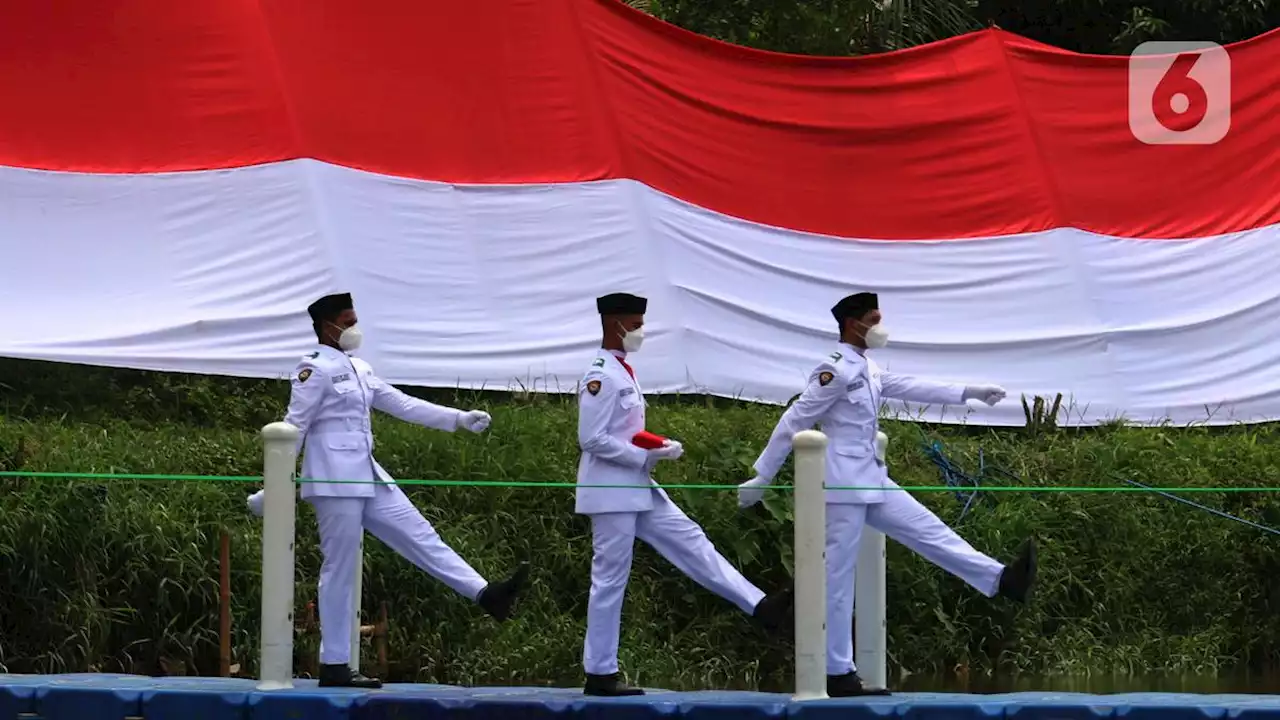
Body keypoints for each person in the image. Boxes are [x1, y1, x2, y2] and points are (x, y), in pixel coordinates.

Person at [737, 291, 1036, 698]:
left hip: (873, 480)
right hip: (842, 487)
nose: (880, 326)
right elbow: (796, 419)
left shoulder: (867, 366)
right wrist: (763, 475)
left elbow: (911, 385)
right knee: (838, 582)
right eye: (874, 319)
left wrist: (969, 390)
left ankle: (1001, 580)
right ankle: (838, 672)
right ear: (852, 324)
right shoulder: (835, 369)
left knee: (931, 532)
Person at [247, 292, 530, 688]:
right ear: (327, 326)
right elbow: (294, 427)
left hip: (368, 474)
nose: (353, 328)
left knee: (422, 537)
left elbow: (402, 404)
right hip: (334, 480)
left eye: (354, 319)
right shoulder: (313, 368)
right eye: (346, 321)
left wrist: (458, 419)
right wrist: (274, 486)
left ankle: (486, 595)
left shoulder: (359, 368)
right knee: (340, 569)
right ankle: (334, 664)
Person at [575, 292, 793, 697]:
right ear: (615, 323)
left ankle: (759, 606)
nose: (641, 331)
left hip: (637, 486)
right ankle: (600, 673)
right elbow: (590, 438)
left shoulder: (623, 370)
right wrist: (643, 457)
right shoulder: (601, 375)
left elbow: (623, 430)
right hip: (611, 491)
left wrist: (655, 444)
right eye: (636, 324)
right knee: (609, 580)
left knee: (691, 539)